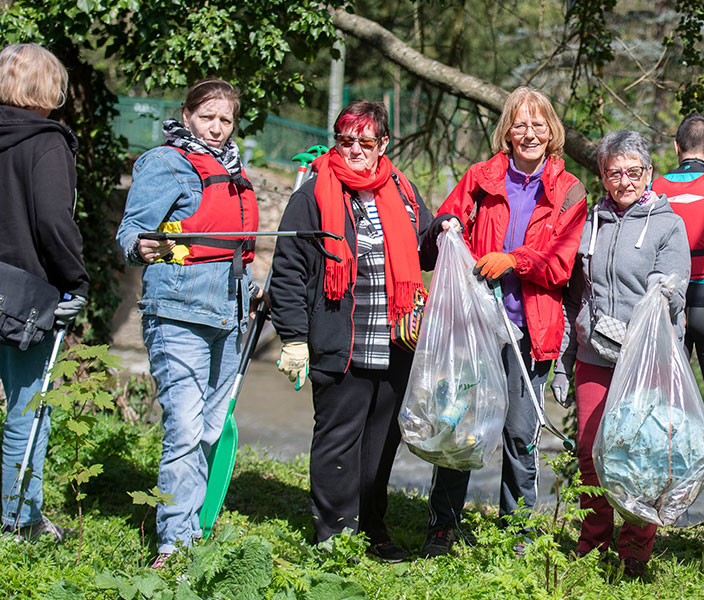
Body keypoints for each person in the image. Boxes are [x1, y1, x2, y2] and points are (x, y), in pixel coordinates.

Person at [269, 100, 437, 562]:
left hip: (396, 340)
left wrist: (443, 229)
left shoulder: (401, 190)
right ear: (336, 141)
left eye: (366, 141)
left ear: (383, 144)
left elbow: (425, 250)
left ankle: (373, 528)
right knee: (338, 440)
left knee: (382, 444)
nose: (356, 149)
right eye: (347, 141)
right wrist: (294, 337)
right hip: (340, 343)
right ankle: (335, 536)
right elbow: (287, 272)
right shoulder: (312, 194)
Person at [422, 87, 587, 557]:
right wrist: (447, 226)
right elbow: (442, 227)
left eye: (538, 124)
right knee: (459, 425)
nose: (529, 133)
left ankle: (517, 533)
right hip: (476, 325)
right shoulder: (480, 176)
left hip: (530, 329)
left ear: (552, 130)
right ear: (507, 132)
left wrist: (513, 260)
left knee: (520, 434)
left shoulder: (569, 189)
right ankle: (443, 526)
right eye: (520, 124)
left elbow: (560, 264)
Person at [116, 79, 260, 568]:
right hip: (177, 311)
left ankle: (193, 526)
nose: (217, 128)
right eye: (207, 117)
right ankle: (173, 542)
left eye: (225, 120)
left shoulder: (235, 172)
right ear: (187, 115)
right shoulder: (165, 163)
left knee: (210, 428)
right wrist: (142, 246)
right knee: (183, 424)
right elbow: (130, 231)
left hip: (229, 312)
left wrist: (252, 285)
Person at [552, 129, 690, 577]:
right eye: (615, 173)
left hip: (646, 360)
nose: (625, 181)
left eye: (634, 171)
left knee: (640, 455)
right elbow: (576, 297)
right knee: (591, 451)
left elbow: (677, 291)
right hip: (596, 356)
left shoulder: (668, 223)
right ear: (603, 175)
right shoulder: (591, 221)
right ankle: (591, 543)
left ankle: (634, 551)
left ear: (649, 172)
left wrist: (664, 291)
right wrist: (563, 360)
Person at [0, 43, 88, 542]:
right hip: (25, 296)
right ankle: (20, 521)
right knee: (27, 410)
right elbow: (55, 222)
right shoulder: (46, 142)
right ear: (50, 87)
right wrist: (74, 281)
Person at [651, 114, 704, 525]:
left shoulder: (655, 187)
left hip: (669, 302)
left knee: (667, 401)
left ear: (676, 147)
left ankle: (666, 497)